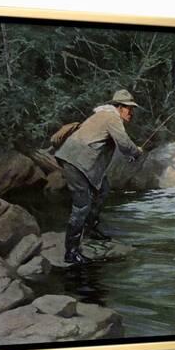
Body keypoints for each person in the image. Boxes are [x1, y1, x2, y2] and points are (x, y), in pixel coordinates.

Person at [54, 89, 143, 264]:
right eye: (128, 108)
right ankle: (71, 252)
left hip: (77, 161)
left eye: (132, 108)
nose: (131, 112)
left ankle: (90, 230)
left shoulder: (102, 115)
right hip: (76, 163)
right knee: (82, 205)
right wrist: (137, 152)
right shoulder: (112, 117)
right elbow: (124, 144)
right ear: (118, 107)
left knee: (103, 190)